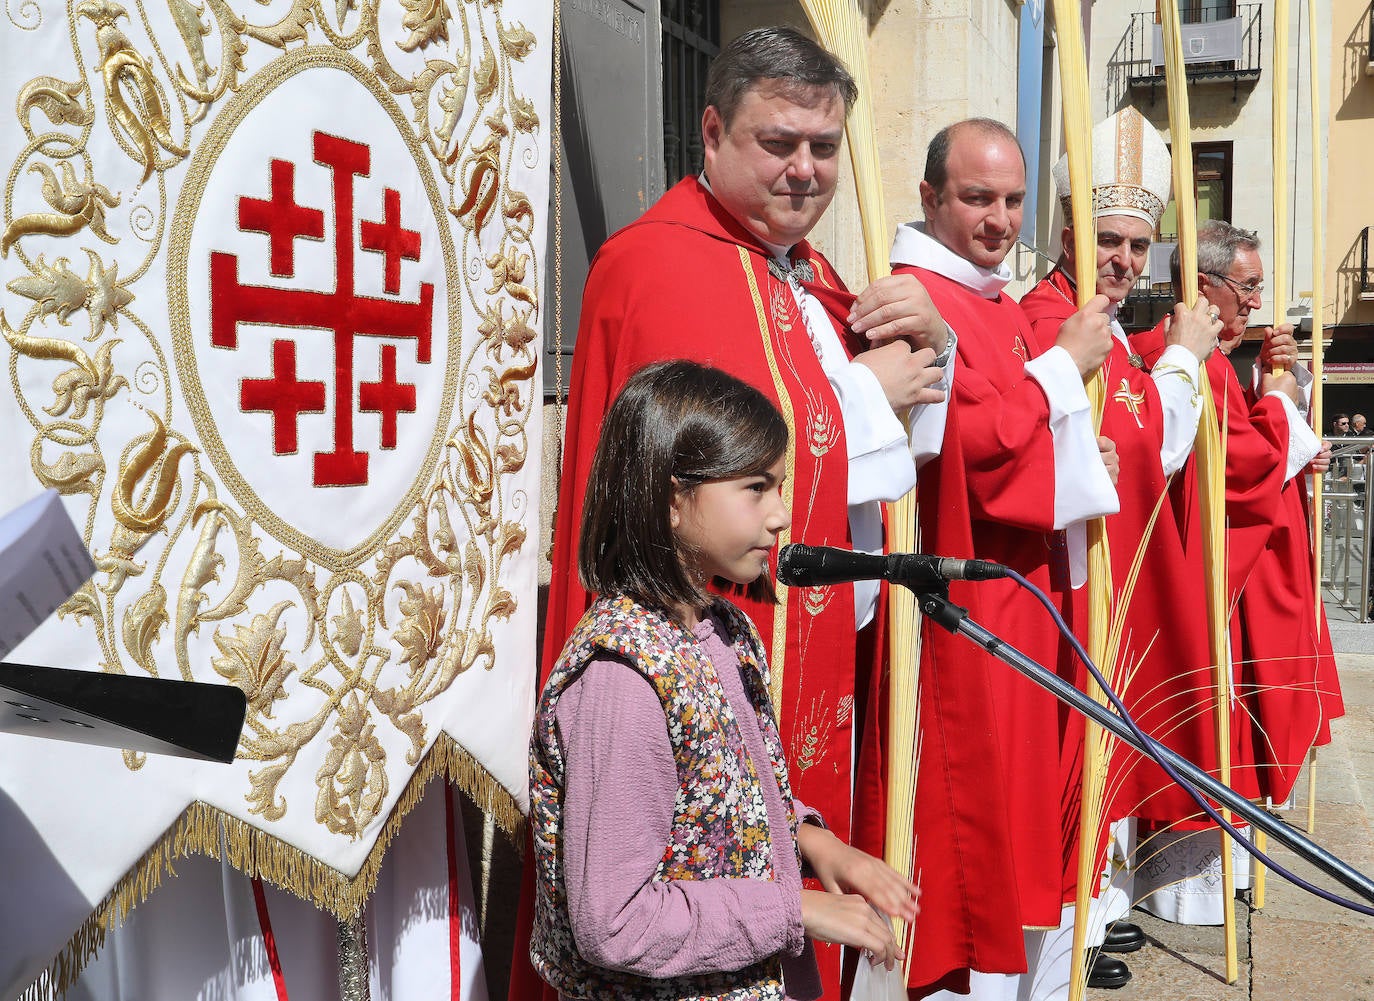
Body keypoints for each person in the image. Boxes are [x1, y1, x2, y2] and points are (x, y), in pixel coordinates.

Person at [513, 25, 954, 999]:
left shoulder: (813, 277)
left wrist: (933, 347)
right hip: (699, 636)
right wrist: (859, 401)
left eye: (825, 147)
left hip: (786, 649)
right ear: (710, 132)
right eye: (778, 142)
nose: (805, 169)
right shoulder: (658, 263)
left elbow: (886, 461)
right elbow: (716, 464)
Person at [528, 361, 919, 1000]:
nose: (782, 515)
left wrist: (815, 842)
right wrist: (797, 911)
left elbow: (722, 806)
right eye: (756, 488)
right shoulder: (623, 683)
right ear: (672, 501)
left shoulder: (722, 630)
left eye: (780, 487)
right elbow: (615, 922)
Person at [858, 117, 1120, 999]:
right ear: (930, 197)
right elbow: (973, 450)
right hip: (961, 609)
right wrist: (1059, 374)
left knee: (1019, 818)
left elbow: (1025, 439)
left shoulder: (993, 300)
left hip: (1021, 595)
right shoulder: (913, 297)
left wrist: (1083, 451)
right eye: (976, 199)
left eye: (1011, 201)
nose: (999, 220)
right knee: (968, 821)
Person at [1018, 105, 1223, 989]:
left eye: (1140, 246)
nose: (1125, 261)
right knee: (1067, 768)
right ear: (1067, 229)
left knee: (1106, 760)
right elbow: (1140, 443)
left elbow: (1143, 445)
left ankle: (1095, 913)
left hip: (1109, 585)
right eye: (1108, 239)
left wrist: (1173, 367)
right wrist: (1182, 363)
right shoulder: (1047, 319)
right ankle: (1068, 933)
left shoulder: (1101, 324)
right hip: (1057, 592)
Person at [1129, 220, 1340, 924]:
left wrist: (1275, 387)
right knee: (1205, 726)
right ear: (1206, 285)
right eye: (1246, 287)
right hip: (1195, 571)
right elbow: (1245, 470)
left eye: (1257, 288)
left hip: (1208, 565)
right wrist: (1281, 397)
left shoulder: (1214, 359)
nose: (1253, 303)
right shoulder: (1188, 357)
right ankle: (1181, 895)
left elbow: (1249, 445)